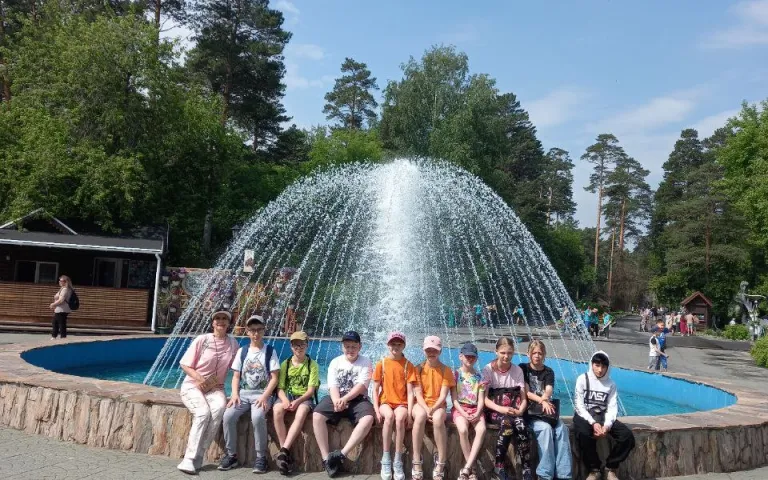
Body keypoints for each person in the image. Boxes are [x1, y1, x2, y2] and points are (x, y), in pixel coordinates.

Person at [177, 310, 240, 474]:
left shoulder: (233, 343)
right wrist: (200, 379)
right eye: (217, 318)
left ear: (229, 323)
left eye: (224, 318)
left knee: (218, 410)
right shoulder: (203, 340)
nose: (221, 321)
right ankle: (188, 458)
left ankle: (199, 454)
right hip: (193, 385)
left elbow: (237, 368)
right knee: (203, 413)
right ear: (212, 322)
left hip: (216, 388)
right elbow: (184, 364)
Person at [219, 315, 280, 473]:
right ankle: (231, 455)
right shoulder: (242, 351)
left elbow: (274, 378)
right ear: (247, 332)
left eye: (259, 330)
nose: (256, 333)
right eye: (252, 330)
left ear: (264, 331)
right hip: (243, 395)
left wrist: (265, 396)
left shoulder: (270, 351)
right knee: (228, 416)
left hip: (262, 395)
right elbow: (236, 376)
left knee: (257, 417)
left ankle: (261, 457)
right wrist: (234, 394)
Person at [312, 330, 375, 478]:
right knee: (317, 415)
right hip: (337, 397)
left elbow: (362, 386)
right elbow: (332, 384)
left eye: (353, 347)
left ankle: (341, 455)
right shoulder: (336, 362)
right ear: (342, 347)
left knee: (368, 419)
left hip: (357, 400)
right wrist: (336, 400)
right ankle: (326, 459)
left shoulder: (365, 361)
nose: (350, 350)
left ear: (360, 347)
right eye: (347, 346)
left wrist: (344, 399)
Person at [573, 351, 635, 480]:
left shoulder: (611, 384)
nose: (600, 370)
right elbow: (579, 405)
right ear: (592, 364)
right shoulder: (582, 379)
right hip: (584, 415)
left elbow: (612, 407)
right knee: (584, 434)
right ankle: (594, 470)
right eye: (597, 365)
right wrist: (593, 423)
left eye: (603, 366)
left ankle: (610, 467)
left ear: (607, 367)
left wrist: (607, 426)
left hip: (602, 416)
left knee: (627, 437)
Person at [519, 341, 571, 480]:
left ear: (544, 355)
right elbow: (526, 392)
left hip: (545, 411)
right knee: (546, 429)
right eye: (534, 353)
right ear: (528, 354)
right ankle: (545, 475)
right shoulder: (523, 368)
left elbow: (548, 389)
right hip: (531, 412)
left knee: (562, 429)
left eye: (540, 353)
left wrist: (545, 397)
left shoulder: (548, 371)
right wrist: (542, 401)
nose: (537, 356)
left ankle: (564, 475)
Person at [482, 336, 533, 480]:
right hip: (495, 411)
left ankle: (526, 467)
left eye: (509, 353)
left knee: (521, 424)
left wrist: (521, 410)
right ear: (496, 352)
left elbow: (523, 397)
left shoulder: (517, 370)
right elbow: (484, 399)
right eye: (503, 352)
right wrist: (501, 409)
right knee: (507, 423)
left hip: (514, 410)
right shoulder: (488, 370)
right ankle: (499, 466)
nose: (506, 356)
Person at [372, 332, 418, 480]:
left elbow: (410, 392)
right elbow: (375, 390)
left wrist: (409, 414)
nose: (396, 347)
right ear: (388, 345)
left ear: (404, 346)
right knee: (389, 416)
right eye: (393, 344)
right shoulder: (382, 363)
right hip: (385, 402)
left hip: (401, 403)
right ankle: (386, 459)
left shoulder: (408, 365)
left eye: (399, 344)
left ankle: (397, 460)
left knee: (399, 419)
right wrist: (376, 410)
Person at [273, 330, 320, 475]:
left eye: (302, 345)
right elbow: (280, 388)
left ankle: (283, 451)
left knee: (301, 412)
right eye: (295, 345)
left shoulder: (312, 365)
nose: (298, 348)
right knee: (277, 410)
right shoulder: (285, 364)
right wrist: (285, 400)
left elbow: (310, 391)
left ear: (307, 345)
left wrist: (298, 401)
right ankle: (284, 452)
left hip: (304, 399)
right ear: (291, 347)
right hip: (288, 397)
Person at [412, 335, 455, 480]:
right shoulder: (418, 369)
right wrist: (426, 408)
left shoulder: (445, 370)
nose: (431, 353)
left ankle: (441, 461)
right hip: (421, 404)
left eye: (434, 350)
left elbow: (443, 396)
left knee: (437, 419)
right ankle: (416, 460)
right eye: (428, 350)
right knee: (420, 416)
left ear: (440, 351)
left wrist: (433, 408)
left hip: (438, 405)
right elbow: (418, 393)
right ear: (423, 350)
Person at [451, 342, 487, 480]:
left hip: (475, 409)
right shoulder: (455, 375)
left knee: (481, 429)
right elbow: (454, 399)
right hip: (460, 408)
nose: (470, 359)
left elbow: (481, 399)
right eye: (467, 356)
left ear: (476, 358)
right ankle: (471, 468)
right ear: (461, 356)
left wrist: (478, 413)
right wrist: (464, 413)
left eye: (473, 357)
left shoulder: (480, 376)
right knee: (462, 430)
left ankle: (466, 468)